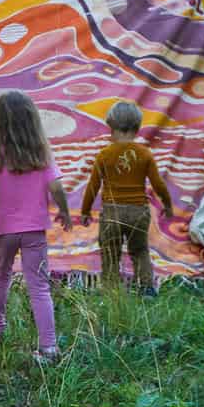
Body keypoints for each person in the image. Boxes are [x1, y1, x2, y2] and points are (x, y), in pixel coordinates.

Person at [0, 91, 72, 363]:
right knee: (39, 287)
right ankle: (49, 347)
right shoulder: (41, 153)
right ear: (32, 120)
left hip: (3, 230)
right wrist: (64, 211)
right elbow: (56, 186)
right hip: (34, 231)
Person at [80, 100, 173, 296]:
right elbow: (158, 184)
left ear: (111, 126)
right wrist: (167, 204)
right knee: (140, 251)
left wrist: (85, 211)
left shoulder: (104, 155)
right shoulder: (145, 154)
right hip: (138, 211)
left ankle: (111, 292)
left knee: (110, 253)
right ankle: (146, 288)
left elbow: (93, 186)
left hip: (112, 212)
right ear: (137, 128)